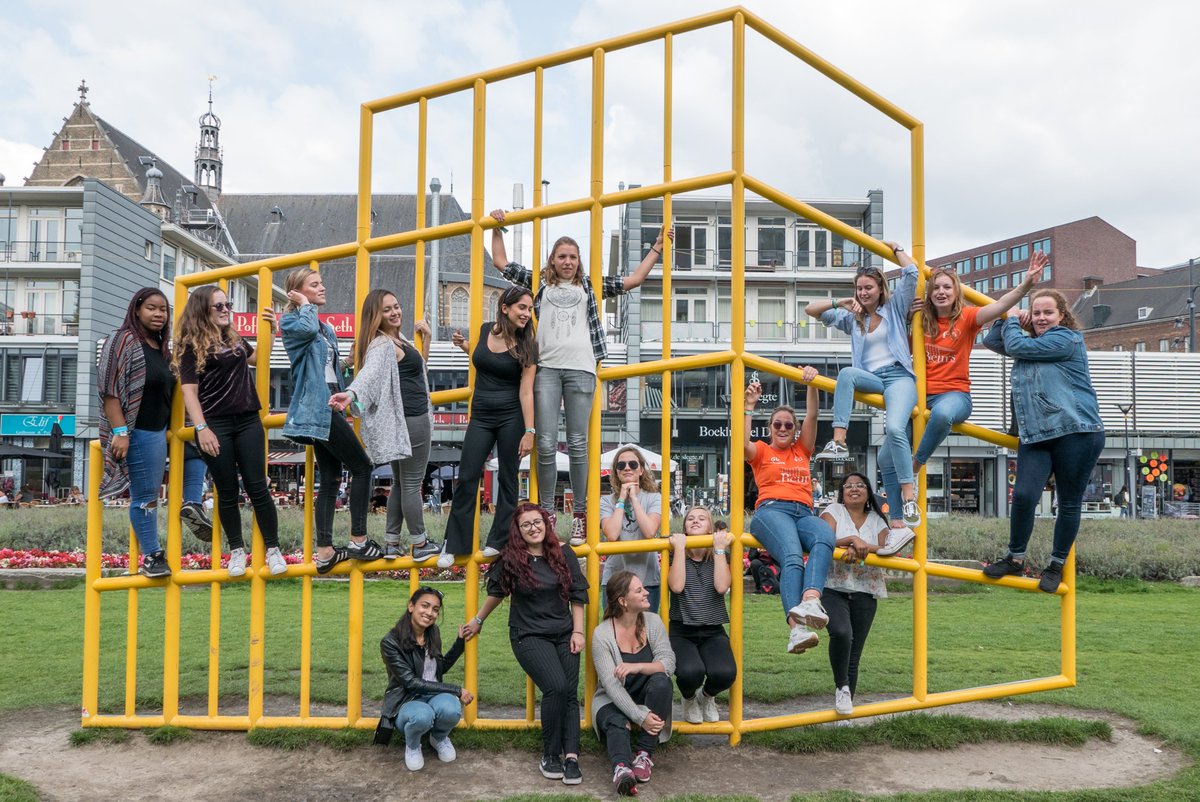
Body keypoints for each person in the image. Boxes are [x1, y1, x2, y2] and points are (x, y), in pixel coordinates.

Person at [489, 208, 672, 545]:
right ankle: (546, 514)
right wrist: (498, 227)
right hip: (545, 367)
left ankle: (580, 514)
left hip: (582, 369)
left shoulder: (591, 285)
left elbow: (633, 281)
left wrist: (657, 248)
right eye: (562, 256)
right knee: (544, 443)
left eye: (573, 256)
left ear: (579, 261)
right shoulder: (538, 284)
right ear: (552, 260)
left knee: (577, 444)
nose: (568, 261)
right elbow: (501, 263)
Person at [982, 290, 1105, 593]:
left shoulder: (1066, 340)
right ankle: (1015, 557)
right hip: (1036, 434)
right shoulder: (1030, 345)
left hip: (1075, 430)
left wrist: (1011, 319)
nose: (1041, 318)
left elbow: (1013, 343)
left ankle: (1056, 565)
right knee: (1023, 496)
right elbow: (991, 341)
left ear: (1062, 315)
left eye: (1047, 313)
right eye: (1035, 313)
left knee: (1068, 502)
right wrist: (1009, 319)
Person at [461, 503, 588, 785]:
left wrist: (578, 632)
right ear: (518, 531)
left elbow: (578, 593)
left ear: (546, 523)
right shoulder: (512, 558)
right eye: (526, 525)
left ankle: (571, 757)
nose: (533, 528)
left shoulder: (563, 552)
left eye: (537, 522)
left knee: (568, 693)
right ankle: (550, 754)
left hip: (565, 632)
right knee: (556, 686)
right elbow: (497, 592)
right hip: (528, 634)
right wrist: (478, 620)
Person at [97, 287, 213, 578]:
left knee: (196, 449)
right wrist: (121, 432)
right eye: (151, 308)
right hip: (140, 431)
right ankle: (152, 556)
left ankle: (192, 505)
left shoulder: (162, 349)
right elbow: (109, 392)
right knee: (145, 496)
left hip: (165, 429)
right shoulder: (121, 340)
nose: (159, 314)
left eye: (163, 309)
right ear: (136, 309)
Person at [805, 245, 921, 529]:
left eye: (868, 287)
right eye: (859, 288)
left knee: (895, 430)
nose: (863, 293)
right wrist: (841, 302)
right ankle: (839, 441)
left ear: (881, 288)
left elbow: (913, 273)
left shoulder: (894, 308)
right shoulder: (853, 318)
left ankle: (908, 496)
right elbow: (811, 310)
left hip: (899, 377)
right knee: (846, 374)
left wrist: (897, 250)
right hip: (873, 379)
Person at [904, 251, 1049, 479]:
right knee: (889, 451)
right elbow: (902, 350)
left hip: (954, 395)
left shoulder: (968, 317)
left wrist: (1027, 282)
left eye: (947, 287)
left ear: (956, 292)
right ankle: (900, 500)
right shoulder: (920, 320)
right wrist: (906, 320)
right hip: (919, 394)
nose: (941, 292)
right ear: (929, 293)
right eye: (936, 288)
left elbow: (1001, 304)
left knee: (941, 416)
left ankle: (915, 467)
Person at [176, 286, 287, 577]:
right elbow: (189, 391)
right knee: (226, 491)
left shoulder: (234, 337)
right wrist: (201, 428)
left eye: (228, 304)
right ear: (203, 310)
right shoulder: (190, 344)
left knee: (258, 487)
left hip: (248, 418)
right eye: (219, 306)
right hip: (216, 423)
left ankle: (273, 549)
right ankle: (237, 550)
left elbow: (257, 359)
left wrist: (273, 331)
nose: (226, 310)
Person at [280, 267, 381, 574]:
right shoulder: (293, 320)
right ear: (297, 292)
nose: (322, 288)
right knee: (363, 467)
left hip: (333, 403)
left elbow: (331, 368)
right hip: (317, 406)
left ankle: (324, 551)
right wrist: (304, 306)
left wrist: (348, 364)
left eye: (321, 283)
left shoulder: (327, 329)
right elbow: (306, 333)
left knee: (332, 478)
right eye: (314, 285)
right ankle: (359, 539)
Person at [329, 289, 440, 561]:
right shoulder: (383, 345)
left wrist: (425, 339)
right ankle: (420, 543)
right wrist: (352, 394)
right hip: (412, 419)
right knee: (413, 483)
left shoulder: (397, 340)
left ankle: (391, 542)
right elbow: (368, 376)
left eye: (397, 306)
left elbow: (418, 372)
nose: (395, 313)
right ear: (375, 316)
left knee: (401, 483)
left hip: (404, 419)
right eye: (387, 309)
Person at [437, 285, 538, 568]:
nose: (527, 314)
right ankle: (454, 544)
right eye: (522, 308)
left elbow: (526, 391)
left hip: (511, 416)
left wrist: (530, 431)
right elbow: (485, 357)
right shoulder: (484, 330)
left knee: (508, 478)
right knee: (468, 476)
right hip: (480, 415)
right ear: (505, 308)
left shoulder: (528, 345)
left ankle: (498, 539)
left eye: (529, 309)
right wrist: (466, 346)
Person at [743, 366, 834, 655]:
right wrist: (748, 406)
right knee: (792, 555)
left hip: (804, 512)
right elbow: (741, 444)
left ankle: (810, 598)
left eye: (788, 425)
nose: (783, 428)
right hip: (771, 511)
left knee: (824, 536)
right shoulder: (762, 451)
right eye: (777, 425)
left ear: (795, 431)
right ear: (769, 428)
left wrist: (811, 383)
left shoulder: (801, 450)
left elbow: (813, 415)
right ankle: (796, 629)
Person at [591, 571, 675, 795]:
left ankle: (644, 754)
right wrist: (640, 716)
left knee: (662, 682)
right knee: (617, 721)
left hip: (647, 693)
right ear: (623, 601)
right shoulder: (602, 635)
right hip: (611, 698)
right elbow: (612, 686)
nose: (647, 592)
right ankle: (622, 770)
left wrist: (637, 667)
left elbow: (668, 663)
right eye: (639, 590)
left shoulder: (653, 622)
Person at [374, 586, 472, 771]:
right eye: (425, 606)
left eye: (435, 609)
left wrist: (460, 643)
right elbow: (411, 682)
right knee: (422, 716)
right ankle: (412, 745)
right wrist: (456, 690)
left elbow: (438, 668)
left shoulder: (432, 632)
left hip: (433, 694)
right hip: (407, 700)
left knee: (452, 708)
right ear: (411, 606)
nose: (430, 613)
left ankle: (439, 737)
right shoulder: (390, 642)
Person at [819, 472, 891, 716]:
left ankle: (846, 706)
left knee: (854, 652)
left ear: (868, 492)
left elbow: (887, 547)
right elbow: (825, 538)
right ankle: (842, 688)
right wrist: (850, 539)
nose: (854, 489)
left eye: (860, 485)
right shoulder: (834, 510)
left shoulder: (877, 520)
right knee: (841, 633)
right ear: (842, 492)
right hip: (833, 586)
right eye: (848, 485)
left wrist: (860, 546)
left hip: (865, 590)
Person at [667, 507, 736, 725]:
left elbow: (721, 586)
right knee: (690, 672)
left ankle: (706, 697)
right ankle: (688, 699)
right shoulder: (674, 551)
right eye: (690, 519)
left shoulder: (718, 552)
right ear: (684, 526)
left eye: (702, 518)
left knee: (725, 673)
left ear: (710, 526)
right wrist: (679, 549)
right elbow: (676, 587)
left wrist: (718, 550)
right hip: (682, 628)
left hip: (712, 627)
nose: (695, 521)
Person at [599, 446, 664, 612]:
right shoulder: (606, 501)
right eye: (621, 465)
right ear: (616, 472)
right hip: (615, 579)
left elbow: (650, 531)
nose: (627, 468)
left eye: (633, 464)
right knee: (614, 631)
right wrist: (621, 498)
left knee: (645, 632)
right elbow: (612, 534)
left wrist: (634, 498)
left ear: (641, 470)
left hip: (647, 579)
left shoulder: (654, 498)